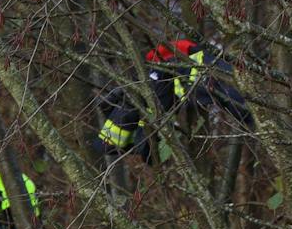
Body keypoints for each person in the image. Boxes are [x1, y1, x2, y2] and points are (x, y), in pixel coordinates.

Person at [95, 38, 253, 162]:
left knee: (142, 99)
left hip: (128, 135)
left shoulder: (162, 70)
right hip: (190, 79)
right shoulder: (164, 70)